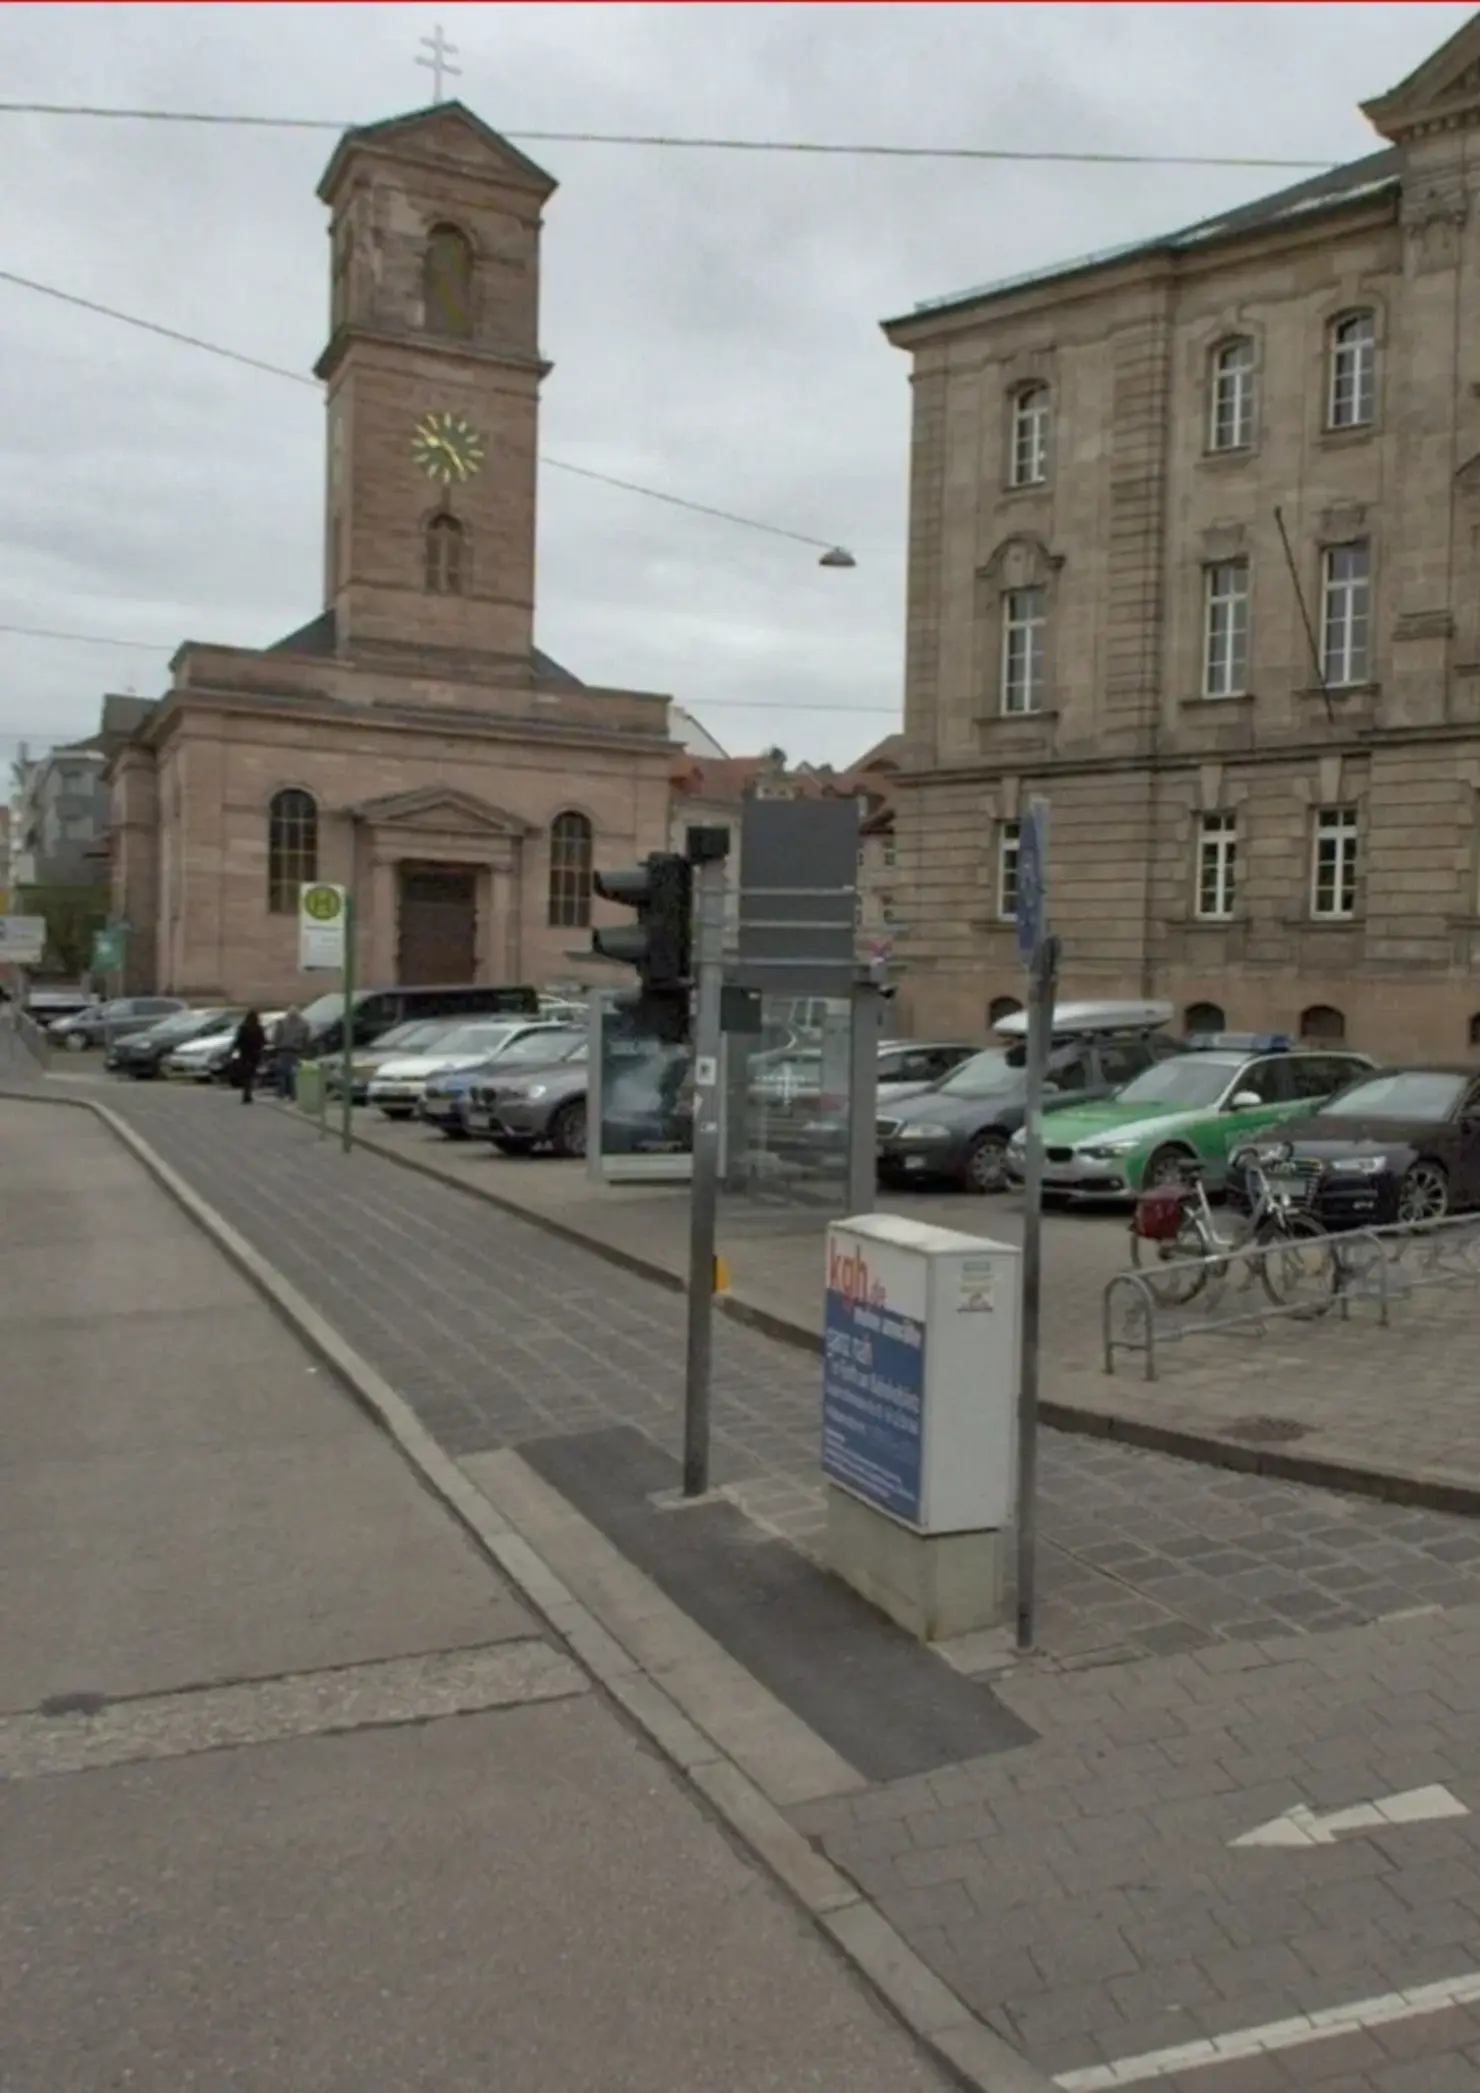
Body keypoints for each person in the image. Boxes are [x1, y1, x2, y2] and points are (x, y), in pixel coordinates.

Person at [274, 1003, 311, 1100]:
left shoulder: (281, 1023)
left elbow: (276, 1037)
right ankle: (293, 1094)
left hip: (283, 1050)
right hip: (296, 1051)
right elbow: (306, 1039)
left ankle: (281, 1093)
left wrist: (276, 1045)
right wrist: (305, 1049)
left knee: (282, 1073)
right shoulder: (304, 1024)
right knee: (294, 1074)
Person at [232, 1008, 266, 1105]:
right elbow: (263, 1041)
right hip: (255, 1054)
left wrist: (235, 1049)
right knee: (251, 1074)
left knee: (245, 1075)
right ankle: (249, 1093)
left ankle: (246, 1094)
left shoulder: (243, 1028)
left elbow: (238, 1041)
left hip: (245, 1054)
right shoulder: (259, 1028)